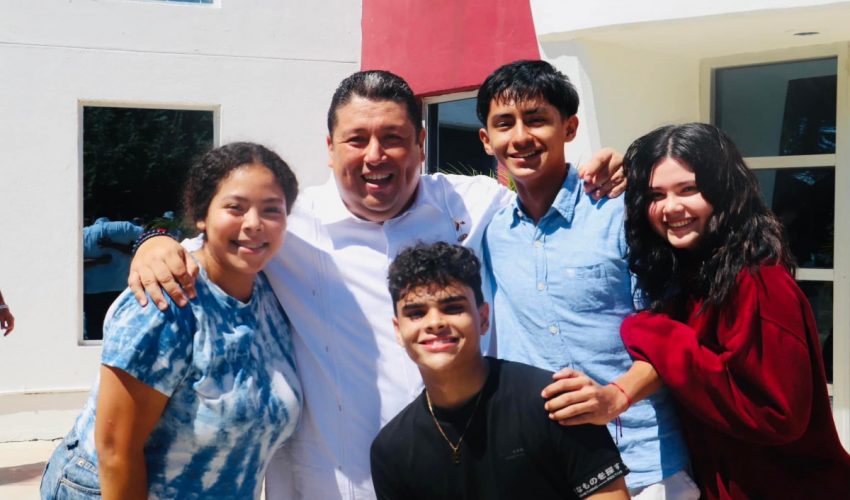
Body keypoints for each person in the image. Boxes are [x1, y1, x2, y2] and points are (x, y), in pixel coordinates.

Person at [129, 69, 624, 499]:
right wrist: (153, 243)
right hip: (328, 484)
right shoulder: (287, 226)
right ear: (328, 148)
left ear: (420, 142)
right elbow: (209, 250)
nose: (375, 155)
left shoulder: (473, 204)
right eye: (356, 138)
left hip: (467, 472)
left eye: (392, 137)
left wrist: (608, 166)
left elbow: (545, 190)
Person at [479, 60, 695, 498]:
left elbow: (675, 330)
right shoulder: (492, 230)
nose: (520, 137)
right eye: (504, 124)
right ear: (486, 140)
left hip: (643, 465)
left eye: (537, 119)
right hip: (547, 466)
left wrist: (616, 396)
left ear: (570, 127)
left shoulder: (622, 214)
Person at [40, 142, 303, 499]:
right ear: (202, 216)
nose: (254, 224)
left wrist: (154, 238)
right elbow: (116, 451)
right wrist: (153, 239)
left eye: (271, 209)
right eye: (235, 208)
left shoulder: (272, 294)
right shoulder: (167, 299)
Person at [619, 123, 850, 499]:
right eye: (655, 195)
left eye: (688, 189)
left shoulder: (758, 280)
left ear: (724, 190)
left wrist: (654, 334)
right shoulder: (695, 272)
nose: (671, 207)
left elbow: (777, 414)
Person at [372, 242, 629, 499]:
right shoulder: (392, 449)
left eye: (453, 308)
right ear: (398, 330)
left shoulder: (557, 403)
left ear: (483, 318)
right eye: (416, 313)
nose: (435, 323)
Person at [83, 216, 144, 340]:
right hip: (120, 288)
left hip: (93, 290)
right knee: (121, 325)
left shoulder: (84, 234)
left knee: (95, 328)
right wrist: (113, 244)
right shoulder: (125, 228)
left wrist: (98, 261)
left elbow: (78, 263)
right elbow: (139, 249)